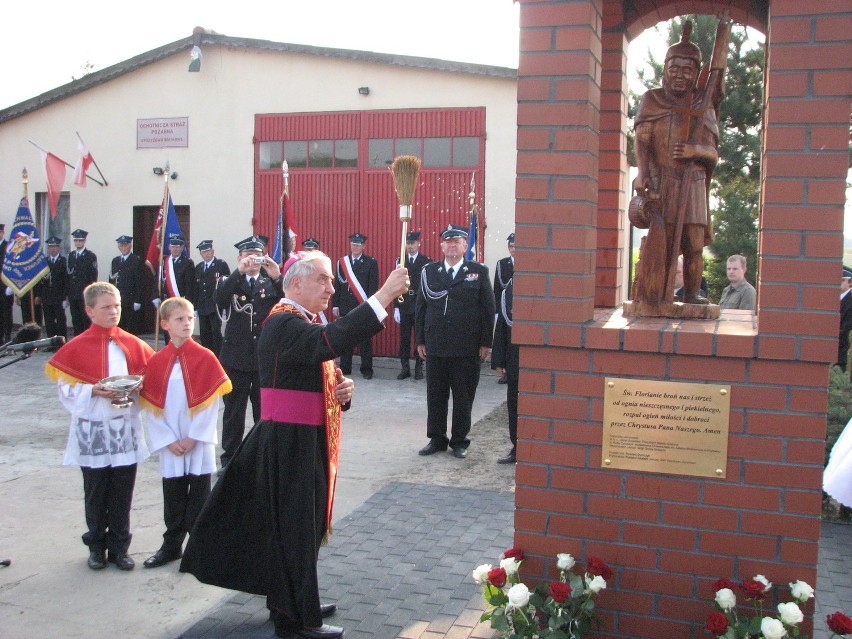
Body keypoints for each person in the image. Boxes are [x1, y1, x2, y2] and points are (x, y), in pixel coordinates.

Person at [181, 252, 409, 639]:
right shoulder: (283, 322)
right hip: (289, 440)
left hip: (302, 437)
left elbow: (320, 364)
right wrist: (383, 295)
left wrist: (343, 391)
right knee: (296, 528)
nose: (331, 287)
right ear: (296, 283)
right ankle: (295, 620)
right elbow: (329, 340)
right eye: (323, 279)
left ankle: (293, 597)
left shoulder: (299, 321)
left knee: (302, 526)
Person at [44, 281, 153, 571]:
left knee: (122, 489)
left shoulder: (132, 344)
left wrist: (138, 388)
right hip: (93, 430)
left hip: (123, 429)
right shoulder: (77, 346)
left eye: (117, 305)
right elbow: (66, 389)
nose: (114, 311)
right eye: (106, 307)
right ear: (90, 311)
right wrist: (92, 390)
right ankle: (96, 546)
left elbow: (151, 380)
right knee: (95, 490)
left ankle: (120, 547)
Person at [632, 18, 730, 306]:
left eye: (687, 70)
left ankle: (690, 293)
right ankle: (655, 293)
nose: (679, 76)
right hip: (664, 181)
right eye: (674, 68)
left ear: (696, 73)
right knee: (662, 243)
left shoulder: (702, 106)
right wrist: (643, 173)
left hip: (694, 184)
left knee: (694, 244)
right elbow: (643, 139)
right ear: (665, 70)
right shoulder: (652, 100)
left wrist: (695, 151)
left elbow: (712, 153)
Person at [140, 297, 232, 568]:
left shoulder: (205, 357)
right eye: (180, 319)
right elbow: (152, 405)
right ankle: (171, 545)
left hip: (196, 440)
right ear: (165, 324)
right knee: (173, 493)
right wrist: (168, 439)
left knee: (200, 495)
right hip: (171, 440)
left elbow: (211, 403)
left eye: (190, 318)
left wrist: (193, 437)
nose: (187, 323)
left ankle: (200, 547)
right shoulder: (157, 362)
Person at [415, 224, 495, 459]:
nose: (452, 245)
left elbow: (487, 310)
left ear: (464, 246)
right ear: (441, 246)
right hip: (436, 345)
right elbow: (421, 307)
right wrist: (420, 339)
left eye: (457, 241)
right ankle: (437, 438)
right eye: (447, 242)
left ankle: (459, 440)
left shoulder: (478, 272)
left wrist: (485, 342)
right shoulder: (429, 271)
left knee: (463, 396)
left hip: (466, 347)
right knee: (436, 395)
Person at [216, 236, 283, 469]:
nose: (252, 261)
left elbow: (289, 301)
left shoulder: (269, 283)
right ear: (239, 258)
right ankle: (229, 459)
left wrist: (277, 276)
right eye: (247, 256)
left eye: (256, 256)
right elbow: (220, 299)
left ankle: (262, 456)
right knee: (234, 411)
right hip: (235, 357)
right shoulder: (231, 281)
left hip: (263, 358)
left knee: (263, 410)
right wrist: (237, 272)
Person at [333, 232, 379, 378]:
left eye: (358, 244)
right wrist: (335, 305)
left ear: (363, 246)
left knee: (365, 339)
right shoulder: (342, 263)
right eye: (353, 244)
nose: (355, 247)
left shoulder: (371, 263)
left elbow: (373, 286)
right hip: (346, 305)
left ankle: (366, 369)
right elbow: (338, 286)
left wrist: (370, 305)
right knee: (346, 338)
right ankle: (345, 368)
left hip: (362, 305)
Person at [393, 231, 430, 380]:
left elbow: (428, 285)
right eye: (408, 243)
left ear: (418, 244)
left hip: (419, 304)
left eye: (413, 243)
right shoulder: (400, 261)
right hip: (404, 304)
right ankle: (405, 368)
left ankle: (418, 368)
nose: (410, 246)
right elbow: (396, 283)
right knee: (404, 338)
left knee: (420, 337)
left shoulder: (426, 261)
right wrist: (396, 306)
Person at [491, 279, 518, 464]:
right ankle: (517, 447)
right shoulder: (510, 287)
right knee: (514, 406)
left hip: (539, 358)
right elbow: (502, 325)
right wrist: (499, 359)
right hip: (514, 356)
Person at [193, 240, 231, 354]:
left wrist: (225, 304)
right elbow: (196, 289)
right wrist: (195, 307)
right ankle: (207, 356)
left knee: (216, 333)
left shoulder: (220, 265)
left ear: (213, 251)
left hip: (215, 306)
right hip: (202, 306)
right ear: (201, 254)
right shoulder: (199, 267)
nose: (207, 254)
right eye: (204, 252)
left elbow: (226, 285)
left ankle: (218, 357)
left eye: (208, 251)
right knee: (204, 333)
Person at [110, 235, 144, 335]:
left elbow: (140, 282)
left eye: (126, 245)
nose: (124, 247)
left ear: (130, 246)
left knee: (131, 328)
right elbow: (112, 280)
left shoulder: (136, 260)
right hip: (118, 299)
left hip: (131, 298)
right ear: (118, 247)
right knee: (119, 326)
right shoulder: (115, 261)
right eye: (121, 245)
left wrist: (138, 300)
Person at [493, 232, 515, 384]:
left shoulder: (526, 262)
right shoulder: (502, 264)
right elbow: (497, 286)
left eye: (516, 246)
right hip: (504, 306)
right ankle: (505, 370)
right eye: (511, 246)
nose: (513, 249)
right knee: (504, 340)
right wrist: (496, 311)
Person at [67, 229, 98, 336]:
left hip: (84, 294)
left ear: (84, 241)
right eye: (76, 240)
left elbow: (93, 277)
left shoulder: (90, 256)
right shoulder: (71, 256)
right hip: (73, 294)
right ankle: (77, 340)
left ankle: (87, 340)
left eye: (80, 240)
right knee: (75, 320)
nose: (78, 242)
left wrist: (91, 294)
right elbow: (69, 276)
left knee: (85, 319)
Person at [41, 236, 69, 342]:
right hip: (47, 295)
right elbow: (41, 281)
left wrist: (66, 297)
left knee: (61, 320)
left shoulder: (63, 261)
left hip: (59, 295)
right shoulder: (45, 261)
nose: (52, 249)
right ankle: (51, 342)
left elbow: (66, 280)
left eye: (55, 247)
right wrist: (39, 295)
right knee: (49, 320)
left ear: (59, 247)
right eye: (50, 247)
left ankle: (62, 341)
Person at [0, 224, 13, 342]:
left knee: (6, 314)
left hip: (5, 286)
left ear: (2, 233)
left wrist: (11, 285)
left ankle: (8, 337)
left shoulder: (8, 246)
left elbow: (13, 266)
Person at [838, 275, 852, 371]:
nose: (839, 282)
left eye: (842, 280)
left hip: (842, 349)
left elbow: (847, 326)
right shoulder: (832, 298)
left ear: (850, 283)